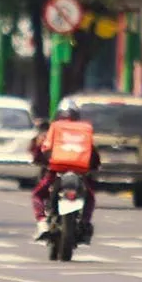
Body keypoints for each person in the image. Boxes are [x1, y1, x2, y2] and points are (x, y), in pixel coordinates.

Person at [31, 98, 100, 243]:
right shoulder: (84, 131)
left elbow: (44, 149)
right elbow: (93, 155)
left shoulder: (55, 128)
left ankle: (42, 223)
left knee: (37, 194)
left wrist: (39, 158)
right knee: (90, 197)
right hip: (79, 172)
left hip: (56, 171)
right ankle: (85, 222)